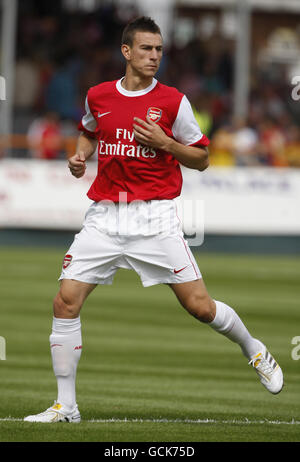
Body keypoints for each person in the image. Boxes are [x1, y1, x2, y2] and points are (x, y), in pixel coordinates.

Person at [24, 17, 283, 423]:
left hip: (154, 218)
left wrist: (166, 143)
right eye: (146, 49)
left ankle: (254, 349)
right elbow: (89, 131)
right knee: (65, 301)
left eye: (159, 50)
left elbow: (201, 159)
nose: (154, 56)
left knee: (200, 307)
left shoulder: (173, 102)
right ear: (126, 52)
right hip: (105, 216)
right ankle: (65, 406)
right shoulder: (99, 95)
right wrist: (80, 156)